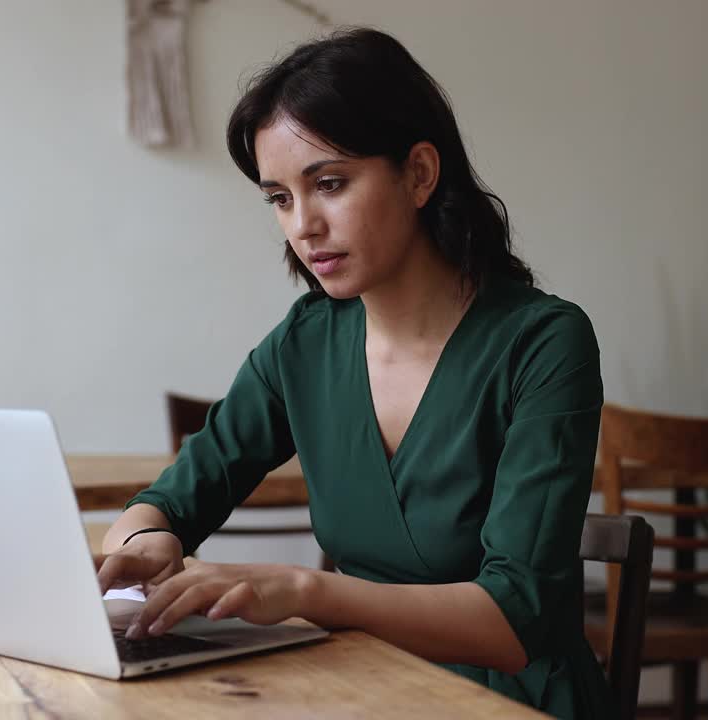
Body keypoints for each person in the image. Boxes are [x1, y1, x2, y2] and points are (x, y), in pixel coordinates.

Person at [98, 27, 609, 719]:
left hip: (507, 703)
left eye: (329, 184)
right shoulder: (306, 342)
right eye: (279, 198)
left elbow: (514, 621)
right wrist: (143, 541)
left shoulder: (543, 343)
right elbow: (171, 498)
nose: (303, 225)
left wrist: (307, 593)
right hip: (363, 689)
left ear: (420, 174)